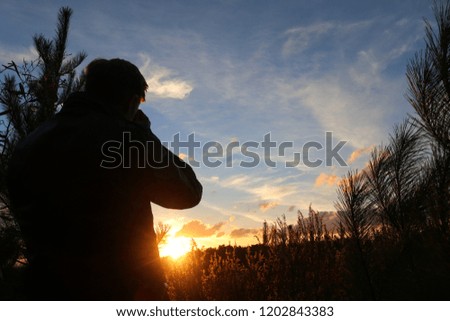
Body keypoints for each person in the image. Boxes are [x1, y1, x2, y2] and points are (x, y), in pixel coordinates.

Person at [7, 58, 202, 300]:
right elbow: (188, 192)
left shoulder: (30, 142)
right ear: (132, 101)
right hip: (120, 292)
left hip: (44, 290)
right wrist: (143, 133)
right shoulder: (125, 139)